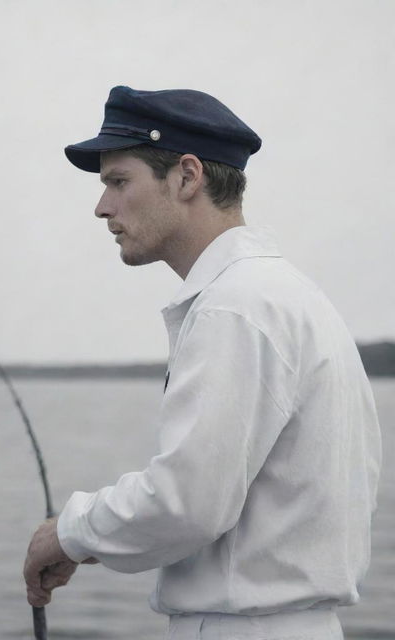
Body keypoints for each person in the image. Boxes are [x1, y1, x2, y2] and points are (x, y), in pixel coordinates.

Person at [23, 86, 382, 640]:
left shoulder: (234, 307)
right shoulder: (290, 296)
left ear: (187, 177)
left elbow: (187, 504)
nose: (102, 207)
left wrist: (69, 531)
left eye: (118, 182)